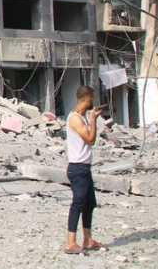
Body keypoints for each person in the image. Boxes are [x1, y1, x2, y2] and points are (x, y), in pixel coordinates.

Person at [64, 85, 105, 254]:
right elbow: (90, 139)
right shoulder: (74, 118)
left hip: (84, 168)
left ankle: (87, 239)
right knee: (78, 204)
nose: (92, 102)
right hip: (77, 168)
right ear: (86, 98)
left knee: (89, 204)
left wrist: (92, 119)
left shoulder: (82, 117)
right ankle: (71, 242)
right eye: (91, 98)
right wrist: (94, 120)